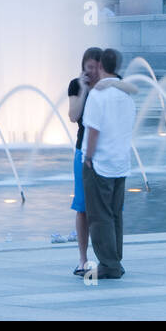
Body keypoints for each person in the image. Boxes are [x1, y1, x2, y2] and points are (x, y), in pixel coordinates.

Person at [82, 48, 138, 280]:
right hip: (121, 162)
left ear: (102, 66)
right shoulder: (126, 94)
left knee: (99, 215)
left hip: (101, 162)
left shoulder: (99, 94)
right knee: (115, 214)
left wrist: (88, 158)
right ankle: (116, 259)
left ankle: (108, 264)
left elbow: (93, 130)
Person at [67, 47, 103, 275]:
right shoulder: (76, 85)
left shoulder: (110, 85)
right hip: (83, 152)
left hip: (106, 153)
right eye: (88, 68)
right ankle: (83, 259)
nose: (92, 72)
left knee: (103, 209)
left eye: (96, 68)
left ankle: (106, 258)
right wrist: (83, 89)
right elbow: (73, 116)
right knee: (82, 208)